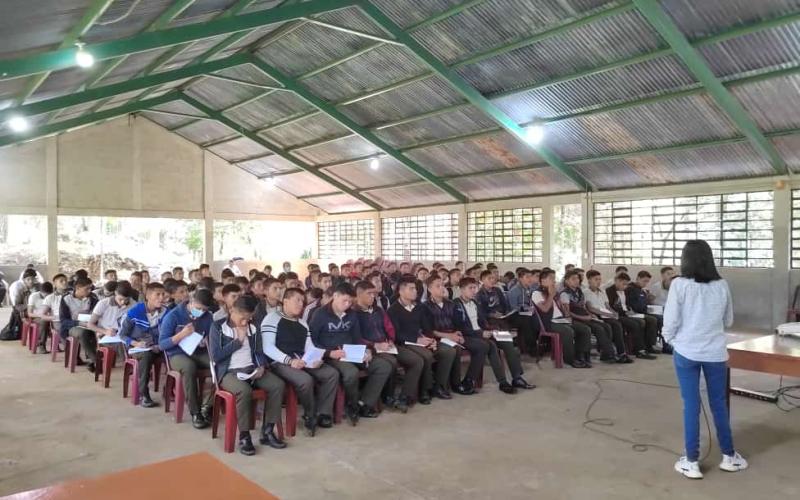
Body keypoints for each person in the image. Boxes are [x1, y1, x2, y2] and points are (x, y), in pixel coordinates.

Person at [664, 240, 747, 479]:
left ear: (685, 259)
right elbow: (728, 320)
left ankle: (691, 462)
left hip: (686, 352)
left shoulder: (679, 284)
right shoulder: (722, 285)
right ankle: (729, 457)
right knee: (718, 404)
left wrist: (673, 341)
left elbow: (670, 322)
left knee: (690, 405)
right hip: (715, 353)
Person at [209, 295, 285, 455]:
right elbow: (216, 356)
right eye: (242, 318)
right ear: (232, 311)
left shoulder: (253, 327)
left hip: (251, 369)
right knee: (244, 391)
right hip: (229, 372)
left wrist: (261, 366)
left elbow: (259, 352)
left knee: (277, 385)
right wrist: (237, 342)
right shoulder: (218, 327)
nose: (245, 322)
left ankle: (268, 430)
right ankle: (244, 436)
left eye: (249, 318)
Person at [309, 282, 393, 423]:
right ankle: (352, 404)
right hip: (332, 355)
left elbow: (357, 338)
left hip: (351, 352)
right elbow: (312, 341)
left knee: (383, 366)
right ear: (335, 296)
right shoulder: (320, 314)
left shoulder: (352, 314)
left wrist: (367, 350)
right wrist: (329, 353)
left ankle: (365, 403)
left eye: (350, 301)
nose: (347, 304)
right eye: (344, 300)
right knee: (350, 373)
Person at [262, 287, 339, 436]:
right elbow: (267, 347)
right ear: (285, 301)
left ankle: (323, 413)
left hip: (301, 359)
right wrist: (289, 361)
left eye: (302, 301)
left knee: (331, 374)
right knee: (305, 380)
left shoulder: (302, 323)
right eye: (297, 300)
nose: (300, 304)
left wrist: (316, 358)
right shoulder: (272, 318)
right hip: (279, 362)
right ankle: (310, 414)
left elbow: (309, 347)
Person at [454, 277, 534, 393]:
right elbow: (460, 327)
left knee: (507, 339)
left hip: (484, 332)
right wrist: (481, 333)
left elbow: (482, 322)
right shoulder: (456, 305)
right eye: (470, 288)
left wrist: (492, 330)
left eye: (475, 288)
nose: (474, 291)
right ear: (462, 289)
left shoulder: (474, 303)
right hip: (470, 336)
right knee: (491, 346)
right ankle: (502, 382)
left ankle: (517, 377)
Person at [387, 276, 457, 404]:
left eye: (416, 289)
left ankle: (439, 386)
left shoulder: (419, 307)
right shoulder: (393, 310)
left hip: (421, 340)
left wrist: (431, 339)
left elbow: (426, 327)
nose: (415, 291)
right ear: (401, 291)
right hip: (405, 343)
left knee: (449, 351)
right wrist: (417, 340)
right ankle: (424, 390)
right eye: (411, 288)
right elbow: (396, 334)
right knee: (426, 355)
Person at [354, 281, 415, 412]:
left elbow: (389, 327)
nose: (373, 297)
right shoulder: (354, 313)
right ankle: (388, 396)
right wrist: (374, 345)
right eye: (369, 294)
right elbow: (356, 337)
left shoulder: (378, 310)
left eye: (374, 294)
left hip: (386, 346)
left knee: (413, 359)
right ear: (358, 295)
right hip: (368, 349)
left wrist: (390, 340)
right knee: (391, 361)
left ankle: (400, 395)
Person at [159, 289, 216, 429]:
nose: (200, 312)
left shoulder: (208, 317)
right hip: (177, 353)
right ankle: (195, 412)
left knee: (218, 365)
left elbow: (210, 337)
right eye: (198, 308)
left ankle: (207, 406)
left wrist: (204, 341)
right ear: (191, 301)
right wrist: (182, 335)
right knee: (189, 367)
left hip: (198, 350)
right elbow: (162, 344)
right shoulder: (173, 316)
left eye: (204, 310)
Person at [420, 275, 477, 396]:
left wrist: (456, 332)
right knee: (450, 351)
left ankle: (455, 383)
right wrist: (448, 336)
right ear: (430, 289)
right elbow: (429, 330)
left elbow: (457, 323)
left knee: (456, 347)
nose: (442, 288)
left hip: (449, 336)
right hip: (435, 339)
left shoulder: (450, 303)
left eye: (443, 285)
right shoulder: (425, 306)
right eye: (438, 286)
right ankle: (439, 386)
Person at [119, 283, 167, 408]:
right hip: (139, 347)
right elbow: (122, 335)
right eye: (158, 294)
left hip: (159, 346)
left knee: (175, 354)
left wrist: (161, 345)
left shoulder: (166, 312)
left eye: (163, 294)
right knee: (146, 356)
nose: (161, 297)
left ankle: (170, 389)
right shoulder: (135, 312)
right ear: (148, 296)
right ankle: (144, 394)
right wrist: (136, 343)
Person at [532, 270, 590, 368]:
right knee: (568, 332)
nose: (554, 281)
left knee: (585, 329)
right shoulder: (537, 293)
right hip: (549, 322)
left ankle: (580, 355)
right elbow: (545, 309)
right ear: (543, 280)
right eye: (551, 278)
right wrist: (551, 295)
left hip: (561, 319)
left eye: (554, 278)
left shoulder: (555, 292)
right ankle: (570, 359)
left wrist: (567, 316)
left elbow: (561, 308)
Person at [560, 270, 614, 365]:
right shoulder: (565, 294)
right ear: (567, 281)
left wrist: (590, 314)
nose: (576, 281)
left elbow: (583, 307)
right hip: (575, 318)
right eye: (573, 279)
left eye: (577, 278)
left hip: (585, 316)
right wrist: (583, 317)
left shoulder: (579, 291)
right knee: (597, 328)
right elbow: (567, 313)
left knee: (606, 326)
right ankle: (583, 355)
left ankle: (606, 354)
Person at [583, 271, 633, 364]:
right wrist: (608, 314)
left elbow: (607, 306)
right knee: (609, 326)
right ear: (589, 280)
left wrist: (614, 313)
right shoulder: (586, 292)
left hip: (605, 314)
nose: (598, 281)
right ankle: (608, 353)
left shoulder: (602, 291)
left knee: (617, 324)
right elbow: (591, 308)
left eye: (600, 279)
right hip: (596, 315)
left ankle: (621, 353)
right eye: (596, 279)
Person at [606, 272, 658, 358]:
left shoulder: (623, 291)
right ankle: (639, 350)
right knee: (636, 324)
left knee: (642, 322)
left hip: (626, 313)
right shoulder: (609, 291)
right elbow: (611, 306)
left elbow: (625, 304)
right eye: (623, 284)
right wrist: (625, 311)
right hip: (617, 315)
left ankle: (644, 347)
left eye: (626, 284)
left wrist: (629, 310)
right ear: (617, 281)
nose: (625, 287)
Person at [87, 280, 135, 360]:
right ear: (115, 293)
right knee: (122, 344)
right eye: (120, 299)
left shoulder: (134, 305)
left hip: (125, 334)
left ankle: (134, 365)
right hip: (106, 335)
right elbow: (90, 324)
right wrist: (105, 331)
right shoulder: (103, 303)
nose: (123, 302)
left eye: (126, 300)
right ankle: (131, 365)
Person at [59, 277, 99, 371]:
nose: (89, 291)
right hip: (72, 326)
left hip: (90, 324)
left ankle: (96, 361)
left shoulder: (92, 298)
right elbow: (63, 320)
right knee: (82, 332)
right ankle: (96, 361)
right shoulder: (66, 299)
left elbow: (98, 313)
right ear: (77, 288)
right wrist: (79, 322)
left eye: (90, 288)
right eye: (86, 289)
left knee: (99, 332)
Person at [626, 271, 660, 354]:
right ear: (638, 279)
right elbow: (631, 304)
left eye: (647, 281)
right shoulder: (630, 289)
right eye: (644, 281)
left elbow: (643, 304)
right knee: (652, 320)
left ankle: (652, 343)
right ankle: (647, 346)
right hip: (633, 313)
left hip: (641, 312)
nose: (646, 283)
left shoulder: (642, 291)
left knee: (659, 317)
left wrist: (648, 307)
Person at [506, 269, 538, 353]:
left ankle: (542, 343)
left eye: (531, 277)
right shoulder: (514, 291)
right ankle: (531, 347)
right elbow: (513, 309)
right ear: (520, 278)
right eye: (527, 277)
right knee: (526, 320)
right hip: (514, 316)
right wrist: (526, 309)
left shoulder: (530, 289)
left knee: (538, 318)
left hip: (527, 313)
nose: (530, 279)